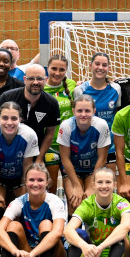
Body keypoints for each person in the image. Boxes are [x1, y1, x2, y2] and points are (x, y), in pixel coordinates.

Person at [0, 164, 69, 257]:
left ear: (47, 182)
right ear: (25, 182)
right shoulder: (18, 202)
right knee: (13, 225)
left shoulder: (54, 201)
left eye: (40, 180)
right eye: (31, 180)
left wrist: (32, 254)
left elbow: (57, 233)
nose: (35, 184)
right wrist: (16, 251)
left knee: (46, 224)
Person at [61, 167, 130, 257]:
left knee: (121, 236)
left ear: (114, 184)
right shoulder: (87, 204)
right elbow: (68, 230)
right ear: (93, 185)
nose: (104, 186)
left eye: (108, 182)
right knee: (77, 234)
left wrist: (101, 247)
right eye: (100, 182)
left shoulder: (121, 203)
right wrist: (84, 246)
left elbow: (126, 226)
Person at [0, 64, 60, 166]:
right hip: (7, 151)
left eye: (39, 79)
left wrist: (39, 159)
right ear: (24, 79)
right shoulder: (7, 97)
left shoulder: (52, 103)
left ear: (46, 80)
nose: (35, 82)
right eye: (31, 78)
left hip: (35, 151)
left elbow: (50, 134)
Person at [57, 95, 111, 212]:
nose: (83, 114)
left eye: (87, 111)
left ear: (94, 111)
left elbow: (102, 158)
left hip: (93, 169)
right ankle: (72, 223)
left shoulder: (101, 125)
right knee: (74, 202)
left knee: (90, 202)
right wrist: (76, 186)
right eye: (79, 111)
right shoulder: (66, 126)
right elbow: (65, 158)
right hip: (73, 169)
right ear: (73, 111)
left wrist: (92, 185)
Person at [0, 101, 40, 207]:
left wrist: (27, 188)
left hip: (19, 174)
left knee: (27, 205)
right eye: (5, 118)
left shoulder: (29, 134)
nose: (9, 123)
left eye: (14, 118)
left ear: (20, 119)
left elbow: (27, 164)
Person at [43, 54, 78, 193]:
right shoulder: (41, 88)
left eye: (61, 69)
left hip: (69, 145)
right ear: (47, 68)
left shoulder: (72, 85)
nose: (57, 73)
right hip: (49, 146)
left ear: (66, 70)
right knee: (50, 189)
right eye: (54, 68)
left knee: (72, 192)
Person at [73, 52, 122, 130]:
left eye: (104, 65)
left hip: (110, 136)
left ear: (108, 68)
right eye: (97, 64)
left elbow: (117, 114)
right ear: (90, 65)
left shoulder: (116, 89)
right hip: (88, 136)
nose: (100, 67)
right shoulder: (80, 90)